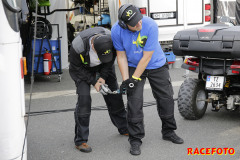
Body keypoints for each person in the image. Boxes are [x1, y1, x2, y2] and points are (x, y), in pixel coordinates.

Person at [111, 4, 184, 156]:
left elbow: (147, 57)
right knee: (134, 102)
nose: (139, 24)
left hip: (155, 64)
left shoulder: (150, 24)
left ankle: (168, 131)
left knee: (166, 98)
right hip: (132, 64)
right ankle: (135, 139)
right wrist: (126, 81)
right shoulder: (116, 31)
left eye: (139, 19)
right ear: (124, 25)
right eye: (134, 23)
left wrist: (134, 78)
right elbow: (121, 56)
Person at [69, 27, 128, 153]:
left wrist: (103, 77)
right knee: (84, 101)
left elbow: (109, 61)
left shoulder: (111, 40)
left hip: (104, 67)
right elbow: (76, 68)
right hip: (82, 70)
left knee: (114, 97)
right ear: (93, 46)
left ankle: (124, 128)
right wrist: (93, 81)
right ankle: (80, 140)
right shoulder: (78, 45)